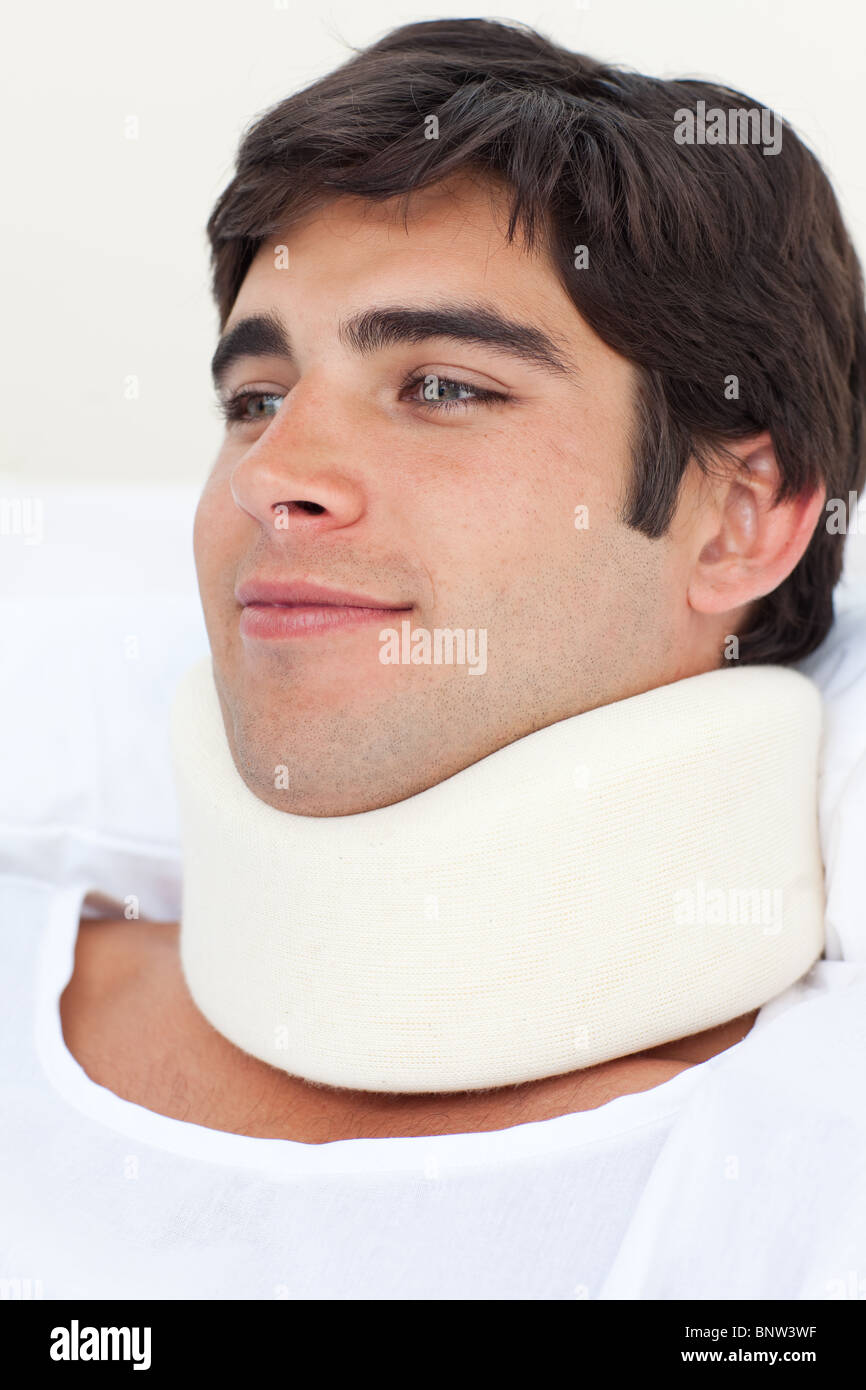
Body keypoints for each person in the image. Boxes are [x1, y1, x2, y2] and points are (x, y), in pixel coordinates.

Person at [5, 18, 866, 1301]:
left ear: (740, 516)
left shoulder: (808, 1192)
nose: (274, 477)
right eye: (253, 400)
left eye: (442, 387)